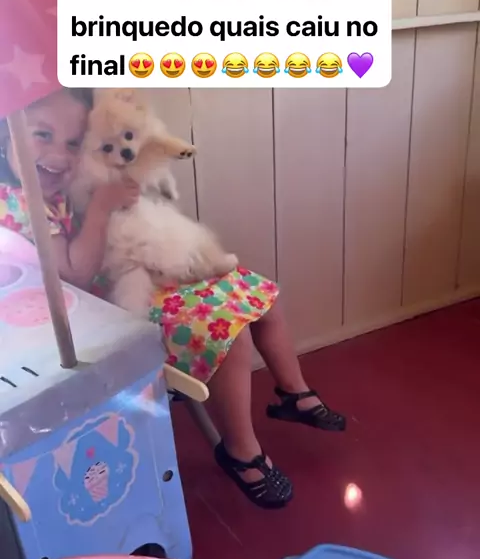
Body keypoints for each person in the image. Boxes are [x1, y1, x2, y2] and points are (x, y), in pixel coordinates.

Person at [0, 88, 346, 509]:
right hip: (98, 307)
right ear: (7, 134)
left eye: (73, 143)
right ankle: (241, 452)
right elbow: (75, 273)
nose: (59, 153)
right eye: (42, 134)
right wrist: (101, 208)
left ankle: (294, 393)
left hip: (128, 269)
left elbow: (131, 148)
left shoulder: (59, 186)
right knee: (230, 333)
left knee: (256, 292)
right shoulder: (21, 204)